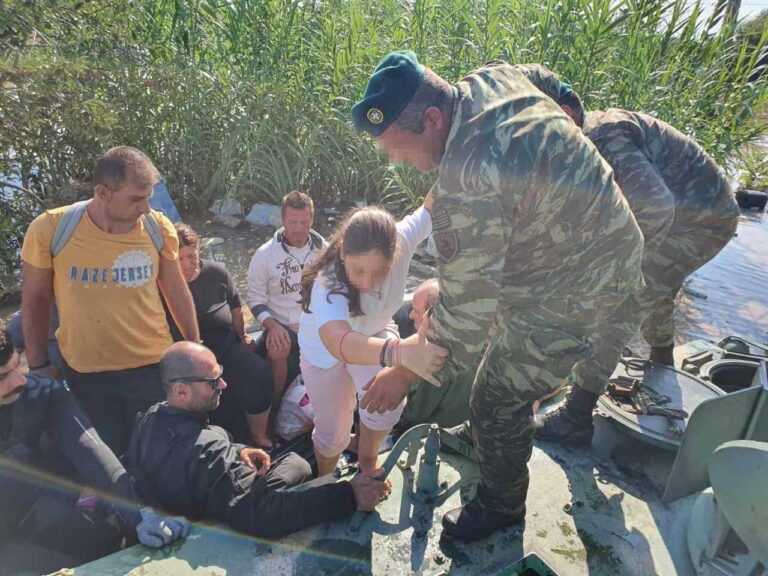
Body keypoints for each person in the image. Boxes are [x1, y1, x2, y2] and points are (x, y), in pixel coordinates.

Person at [351, 51, 644, 542]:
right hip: (606, 240)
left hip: (583, 284)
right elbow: (553, 80)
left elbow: (466, 315)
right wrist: (571, 143)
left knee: (495, 396)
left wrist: (401, 373)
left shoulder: (464, 181)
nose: (396, 161)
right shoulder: (490, 78)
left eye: (399, 148)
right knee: (497, 347)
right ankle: (487, 440)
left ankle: (501, 507)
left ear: (431, 118)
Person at [513, 66, 741, 445]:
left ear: (566, 114)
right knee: (658, 287)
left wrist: (605, 266)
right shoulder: (582, 142)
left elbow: (654, 209)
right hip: (692, 211)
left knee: (622, 297)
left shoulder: (604, 137)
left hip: (703, 220)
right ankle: (663, 359)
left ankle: (576, 416)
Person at [21, 146, 199, 456]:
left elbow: (175, 288)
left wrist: (195, 347)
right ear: (103, 192)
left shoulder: (158, 228)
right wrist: (38, 364)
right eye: (135, 198)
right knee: (110, 453)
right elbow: (35, 299)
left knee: (159, 451)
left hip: (151, 365)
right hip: (87, 370)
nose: (146, 208)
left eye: (149, 197)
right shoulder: (51, 229)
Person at [126, 342, 391, 539]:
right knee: (298, 464)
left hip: (191, 497)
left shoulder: (151, 418)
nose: (224, 384)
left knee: (294, 460)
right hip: (216, 518)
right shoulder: (210, 449)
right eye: (213, 380)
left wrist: (239, 450)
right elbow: (263, 516)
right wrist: (349, 495)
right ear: (182, 390)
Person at [0, 322, 189, 574]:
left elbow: (90, 449)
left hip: (42, 513)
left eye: (17, 365)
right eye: (2, 376)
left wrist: (141, 513)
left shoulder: (41, 395)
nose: (19, 381)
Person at [298, 201, 447, 478]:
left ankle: (367, 461)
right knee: (333, 434)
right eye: (358, 271)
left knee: (386, 405)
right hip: (324, 354)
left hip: (374, 331)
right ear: (342, 252)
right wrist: (400, 353)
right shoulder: (327, 282)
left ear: (396, 253)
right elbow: (337, 340)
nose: (367, 283)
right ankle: (325, 478)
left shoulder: (403, 236)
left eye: (380, 272)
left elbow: (433, 202)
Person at [175, 222, 274, 448]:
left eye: (191, 256)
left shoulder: (215, 273)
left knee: (259, 372)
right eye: (178, 259)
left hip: (226, 345)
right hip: (192, 359)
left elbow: (236, 307)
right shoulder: (166, 283)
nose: (187, 264)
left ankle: (259, 433)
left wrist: (243, 336)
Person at [247, 191, 326, 410]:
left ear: (312, 218)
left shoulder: (325, 251)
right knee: (277, 348)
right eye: (293, 222)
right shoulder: (264, 255)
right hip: (282, 324)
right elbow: (254, 298)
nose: (299, 228)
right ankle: (275, 405)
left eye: (304, 222)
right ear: (282, 220)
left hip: (315, 323)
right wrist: (271, 325)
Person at [397, 279, 474, 428]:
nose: (411, 315)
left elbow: (415, 412)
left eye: (416, 310)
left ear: (432, 317)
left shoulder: (437, 354)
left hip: (438, 435)